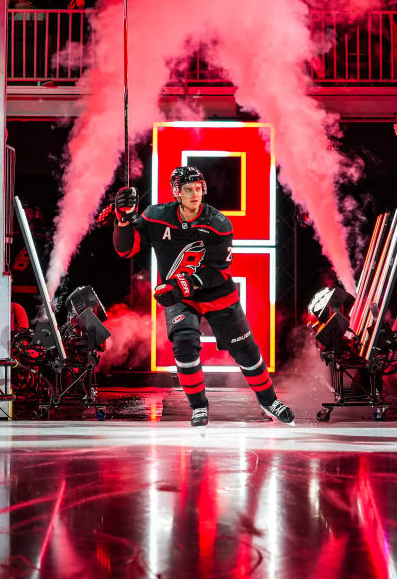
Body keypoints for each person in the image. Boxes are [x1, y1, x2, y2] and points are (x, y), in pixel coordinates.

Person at [106, 167, 296, 427]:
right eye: (188, 189)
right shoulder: (156, 216)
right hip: (181, 297)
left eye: (198, 188)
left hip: (217, 295)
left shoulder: (218, 223)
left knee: (246, 352)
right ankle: (198, 406)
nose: (194, 194)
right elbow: (125, 249)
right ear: (177, 193)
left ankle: (269, 401)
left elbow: (218, 272)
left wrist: (181, 285)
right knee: (184, 345)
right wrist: (123, 219)